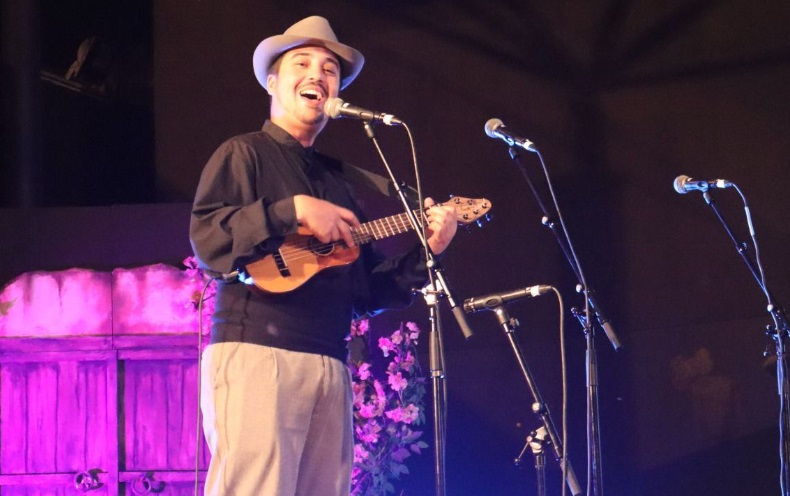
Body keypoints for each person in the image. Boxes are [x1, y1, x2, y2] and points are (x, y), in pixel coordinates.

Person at [189, 15, 459, 496]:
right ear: (273, 82)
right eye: (302, 63)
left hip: (329, 363)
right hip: (259, 350)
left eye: (329, 69)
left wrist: (427, 252)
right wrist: (290, 210)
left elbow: (367, 293)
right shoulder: (243, 154)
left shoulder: (340, 185)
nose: (317, 74)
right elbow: (210, 239)